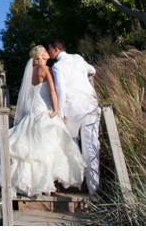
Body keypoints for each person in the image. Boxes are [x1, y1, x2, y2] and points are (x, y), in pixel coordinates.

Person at [0, 45, 84, 198]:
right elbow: (53, 91)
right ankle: (45, 183)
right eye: (45, 52)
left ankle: (32, 183)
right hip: (42, 109)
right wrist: (56, 111)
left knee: (30, 145)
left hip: (31, 111)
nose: (47, 53)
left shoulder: (30, 72)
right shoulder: (45, 69)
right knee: (47, 144)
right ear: (39, 56)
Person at [47, 38, 101, 194]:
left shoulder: (58, 67)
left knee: (73, 147)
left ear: (56, 50)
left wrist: (60, 113)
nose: (49, 52)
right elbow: (93, 70)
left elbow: (61, 91)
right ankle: (94, 187)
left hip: (72, 110)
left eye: (50, 49)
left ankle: (77, 182)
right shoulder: (78, 58)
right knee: (91, 146)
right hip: (90, 105)